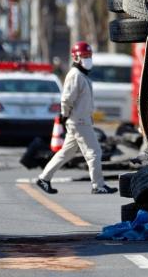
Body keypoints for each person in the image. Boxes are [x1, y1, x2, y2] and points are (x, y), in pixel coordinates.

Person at [36, 41, 118, 195]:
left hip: (80, 121)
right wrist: (64, 115)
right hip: (79, 121)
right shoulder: (75, 75)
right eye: (84, 56)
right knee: (94, 152)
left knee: (66, 153)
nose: (87, 59)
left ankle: (44, 178)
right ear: (75, 57)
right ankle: (98, 185)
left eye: (89, 55)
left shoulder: (81, 75)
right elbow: (67, 99)